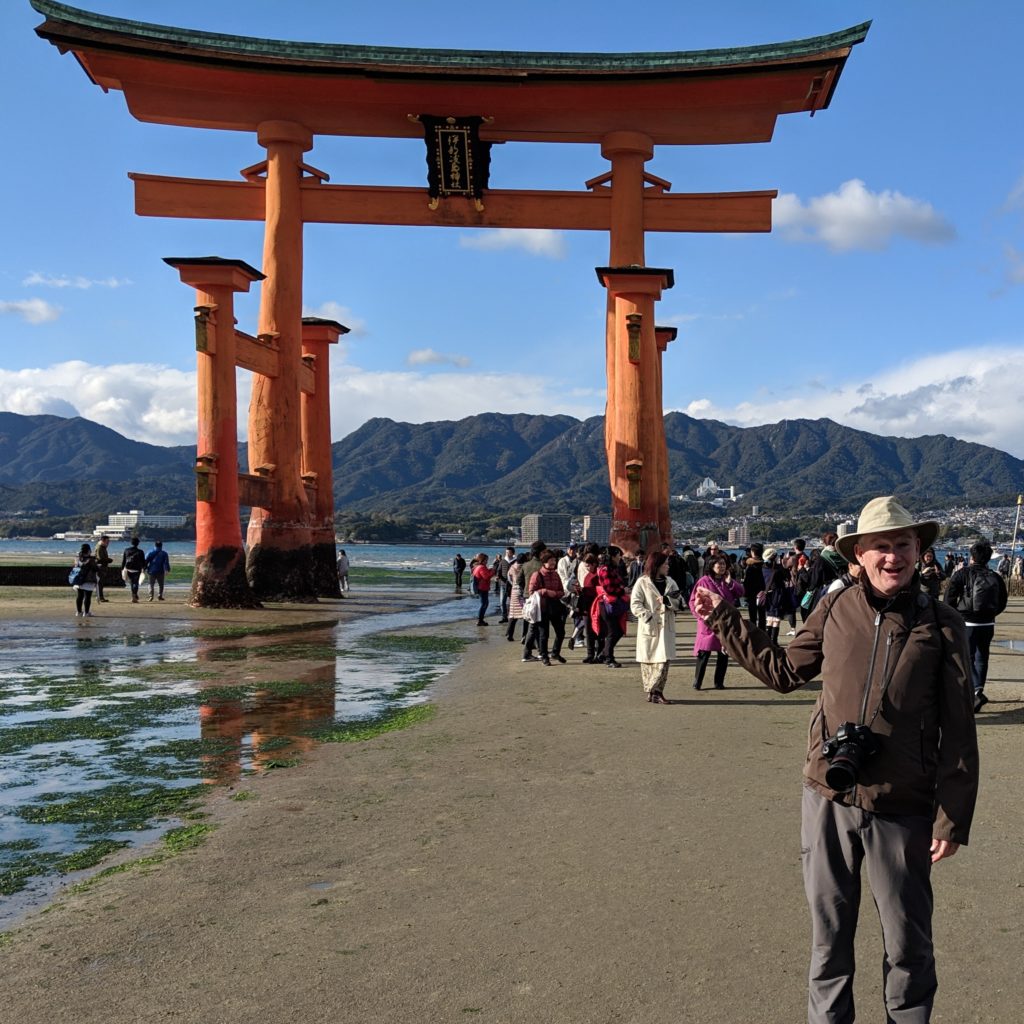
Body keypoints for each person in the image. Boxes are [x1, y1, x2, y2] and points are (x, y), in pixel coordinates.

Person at [692, 495, 979, 1024]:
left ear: (919, 550)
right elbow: (782, 672)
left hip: (904, 802)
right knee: (829, 939)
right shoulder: (835, 606)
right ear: (859, 556)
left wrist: (952, 815)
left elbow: (960, 729)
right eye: (880, 547)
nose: (892, 556)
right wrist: (726, 620)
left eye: (902, 545)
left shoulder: (942, 625)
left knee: (908, 939)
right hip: (828, 795)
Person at [944, 539, 1008, 713]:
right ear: (988, 558)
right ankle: (979, 689)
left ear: (972, 556)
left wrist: (955, 615)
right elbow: (1003, 601)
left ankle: (974, 692)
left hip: (967, 621)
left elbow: (949, 597)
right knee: (982, 657)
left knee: (966, 657)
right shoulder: (994, 576)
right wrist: (991, 614)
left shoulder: (962, 573)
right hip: (988, 622)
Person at [629, 551, 684, 703]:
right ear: (656, 565)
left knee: (663, 661)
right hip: (650, 626)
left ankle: (658, 692)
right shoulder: (642, 582)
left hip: (666, 626)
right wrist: (647, 615)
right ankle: (651, 691)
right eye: (665, 563)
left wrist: (667, 600)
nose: (668, 566)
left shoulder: (671, 582)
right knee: (649, 660)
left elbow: (681, 602)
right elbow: (635, 604)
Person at [688, 553, 743, 690]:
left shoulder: (728, 581)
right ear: (712, 566)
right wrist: (700, 616)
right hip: (708, 621)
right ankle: (697, 681)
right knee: (704, 652)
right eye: (719, 564)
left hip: (725, 621)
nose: (722, 566)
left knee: (723, 652)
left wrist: (731, 583)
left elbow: (741, 593)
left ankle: (719, 682)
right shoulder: (703, 581)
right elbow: (693, 601)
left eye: (724, 564)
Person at [524, 550, 566, 666]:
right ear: (544, 562)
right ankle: (544, 656)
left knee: (561, 632)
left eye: (554, 560)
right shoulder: (537, 575)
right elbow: (531, 592)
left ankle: (555, 652)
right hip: (541, 607)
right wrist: (545, 591)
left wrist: (556, 594)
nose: (554, 562)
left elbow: (561, 591)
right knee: (544, 634)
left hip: (555, 606)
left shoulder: (556, 574)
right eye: (551, 560)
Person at [595, 546, 629, 668]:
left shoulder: (610, 568)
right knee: (613, 631)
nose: (620, 557)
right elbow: (609, 588)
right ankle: (608, 657)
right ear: (613, 556)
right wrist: (622, 589)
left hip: (611, 603)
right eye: (619, 555)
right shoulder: (606, 570)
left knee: (616, 631)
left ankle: (605, 654)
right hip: (608, 604)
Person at [70, 542, 99, 619]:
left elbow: (74, 566)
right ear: (88, 550)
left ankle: (79, 612)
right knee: (87, 596)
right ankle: (86, 612)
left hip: (78, 580)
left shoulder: (77, 558)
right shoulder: (91, 560)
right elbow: (96, 569)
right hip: (88, 580)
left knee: (80, 596)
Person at [505, 553, 529, 642]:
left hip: (514, 591)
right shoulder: (525, 567)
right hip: (524, 591)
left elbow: (509, 578)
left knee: (513, 613)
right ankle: (524, 635)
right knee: (526, 615)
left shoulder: (512, 567)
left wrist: (513, 585)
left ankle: (509, 633)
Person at [742, 543, 766, 629]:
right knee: (762, 614)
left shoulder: (750, 565)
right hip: (763, 591)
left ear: (752, 552)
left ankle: (754, 631)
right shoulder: (766, 564)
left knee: (753, 614)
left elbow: (747, 581)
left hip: (751, 592)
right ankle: (763, 632)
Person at [470, 552, 494, 626]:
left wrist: (489, 570)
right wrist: (493, 571)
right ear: (482, 560)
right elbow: (486, 577)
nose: (487, 561)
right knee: (484, 604)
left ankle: (480, 619)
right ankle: (480, 620)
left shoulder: (477, 566)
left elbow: (485, 574)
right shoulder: (481, 567)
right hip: (482, 588)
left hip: (481, 587)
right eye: (486, 560)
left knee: (484, 604)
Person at [121, 536, 146, 603]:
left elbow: (124, 560)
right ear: (138, 543)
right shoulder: (140, 551)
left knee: (132, 583)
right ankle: (134, 596)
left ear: (131, 543)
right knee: (135, 583)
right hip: (137, 569)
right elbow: (143, 561)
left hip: (128, 569)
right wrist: (144, 568)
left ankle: (134, 595)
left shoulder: (126, 550)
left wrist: (122, 569)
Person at [94, 534, 112, 602]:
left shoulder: (102, 547)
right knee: (100, 583)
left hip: (103, 567)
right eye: (107, 541)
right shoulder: (100, 547)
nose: (108, 543)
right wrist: (108, 560)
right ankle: (100, 597)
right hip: (101, 567)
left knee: (101, 583)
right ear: (103, 541)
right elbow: (100, 558)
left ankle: (100, 596)